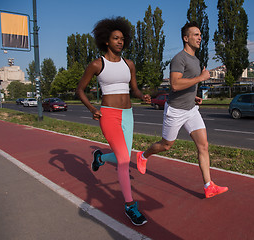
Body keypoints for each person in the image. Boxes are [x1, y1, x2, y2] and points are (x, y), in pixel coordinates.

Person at [136, 21, 228, 199]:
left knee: (203, 146)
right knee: (166, 146)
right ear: (186, 38)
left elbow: (187, 83)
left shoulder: (195, 59)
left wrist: (193, 96)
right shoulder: (179, 58)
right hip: (176, 110)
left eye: (200, 34)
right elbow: (175, 84)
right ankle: (143, 155)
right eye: (196, 34)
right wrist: (201, 77)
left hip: (191, 109)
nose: (200, 37)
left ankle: (208, 186)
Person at [76, 17, 151, 226]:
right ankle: (130, 206)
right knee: (125, 161)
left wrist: (142, 95)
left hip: (128, 114)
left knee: (123, 157)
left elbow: (133, 89)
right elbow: (79, 90)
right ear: (106, 41)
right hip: (109, 115)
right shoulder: (97, 64)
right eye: (116, 38)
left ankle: (99, 157)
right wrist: (92, 108)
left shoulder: (129, 64)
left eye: (122, 38)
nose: (120, 41)